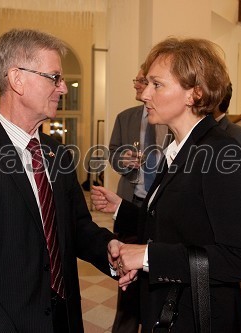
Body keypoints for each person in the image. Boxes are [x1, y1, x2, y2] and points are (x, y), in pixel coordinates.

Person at [0, 28, 122, 333]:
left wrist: (113, 252)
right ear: (17, 79)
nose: (64, 88)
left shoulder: (58, 154)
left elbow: (76, 228)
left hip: (63, 319)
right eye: (55, 77)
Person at [92, 37, 241, 332]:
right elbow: (175, 225)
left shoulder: (222, 153)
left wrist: (146, 256)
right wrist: (123, 208)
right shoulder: (180, 147)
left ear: (194, 94)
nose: (144, 94)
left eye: (156, 85)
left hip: (199, 318)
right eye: (146, 84)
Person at [107, 68, 170, 333]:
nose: (139, 87)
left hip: (161, 205)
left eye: (145, 81)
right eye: (139, 81)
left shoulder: (171, 116)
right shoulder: (125, 117)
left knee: (158, 273)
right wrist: (123, 161)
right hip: (132, 201)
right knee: (127, 277)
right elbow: (112, 153)